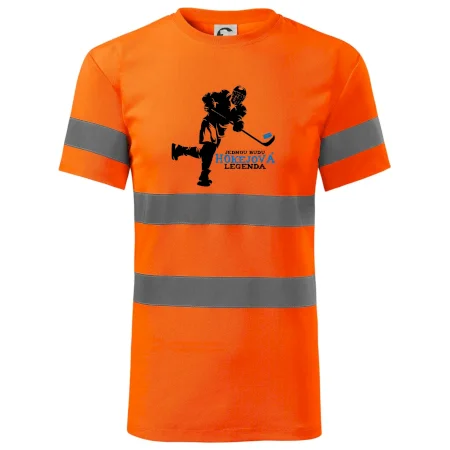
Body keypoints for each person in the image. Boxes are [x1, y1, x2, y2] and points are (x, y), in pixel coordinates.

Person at [172, 86, 247, 186]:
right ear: (233, 93)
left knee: (203, 153)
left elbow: (238, 118)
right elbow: (207, 96)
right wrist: (209, 103)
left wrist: (239, 125)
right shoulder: (224, 95)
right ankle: (204, 176)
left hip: (219, 132)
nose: (237, 98)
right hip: (210, 123)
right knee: (209, 150)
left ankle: (179, 150)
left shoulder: (241, 109)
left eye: (240, 97)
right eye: (236, 95)